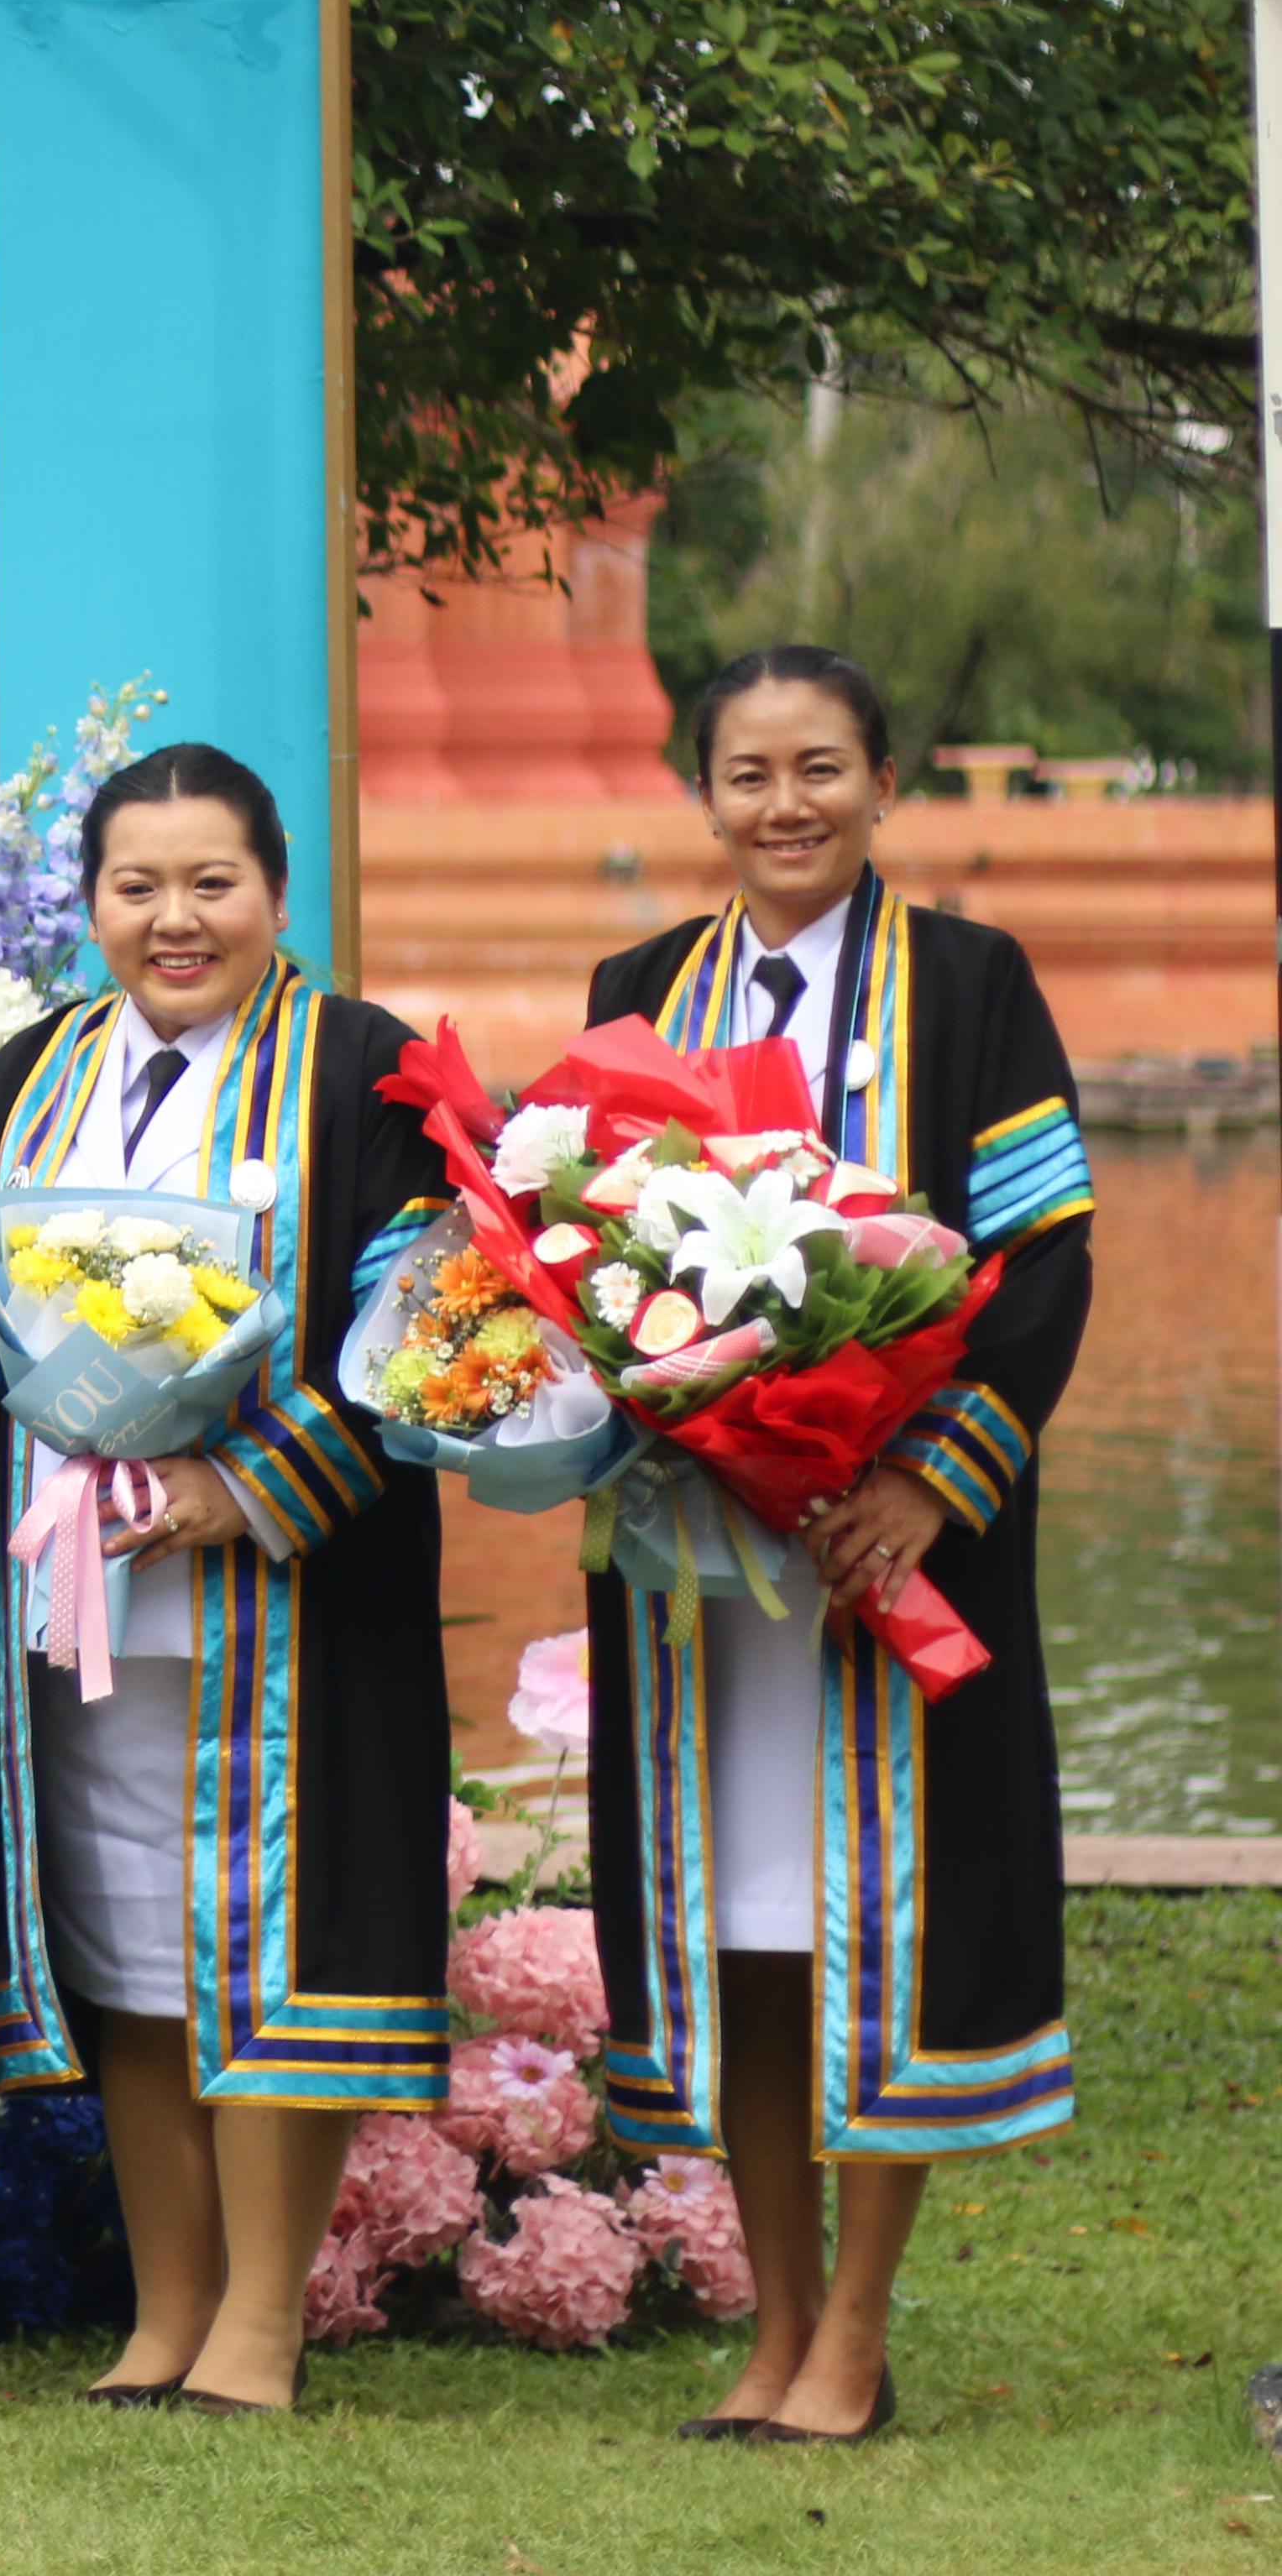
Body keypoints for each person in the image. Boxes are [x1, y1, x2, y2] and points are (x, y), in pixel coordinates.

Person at [580, 645, 1092, 2448]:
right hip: (704, 1568)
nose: (783, 805)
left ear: (884, 783)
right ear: (701, 792)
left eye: (820, 768)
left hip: (892, 1558)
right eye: (746, 772)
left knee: (889, 1926)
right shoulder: (638, 991)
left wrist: (926, 1483)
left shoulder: (968, 985)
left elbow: (1039, 1262)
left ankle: (857, 2333)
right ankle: (771, 2316)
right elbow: (582, 1265)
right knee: (749, 1931)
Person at [0, 743, 447, 2416]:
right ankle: (168, 2307)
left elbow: (430, 1334)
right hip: (76, 1598)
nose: (175, 920)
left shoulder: (359, 1071)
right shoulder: (26, 1080)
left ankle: (262, 2321)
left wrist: (248, 1485)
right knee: (125, 1946)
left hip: (285, 1604)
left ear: (278, 893)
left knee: (271, 1944)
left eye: (210, 883)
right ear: (88, 904)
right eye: (136, 887)